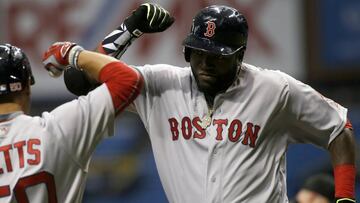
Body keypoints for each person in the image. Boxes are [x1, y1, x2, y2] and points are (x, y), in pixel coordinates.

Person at [64, 4, 357, 203]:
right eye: (199, 52)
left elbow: (338, 128)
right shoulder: (159, 85)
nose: (206, 63)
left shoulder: (274, 89)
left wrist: (344, 196)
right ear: (187, 52)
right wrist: (129, 30)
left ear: (239, 56)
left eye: (218, 55)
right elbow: (80, 81)